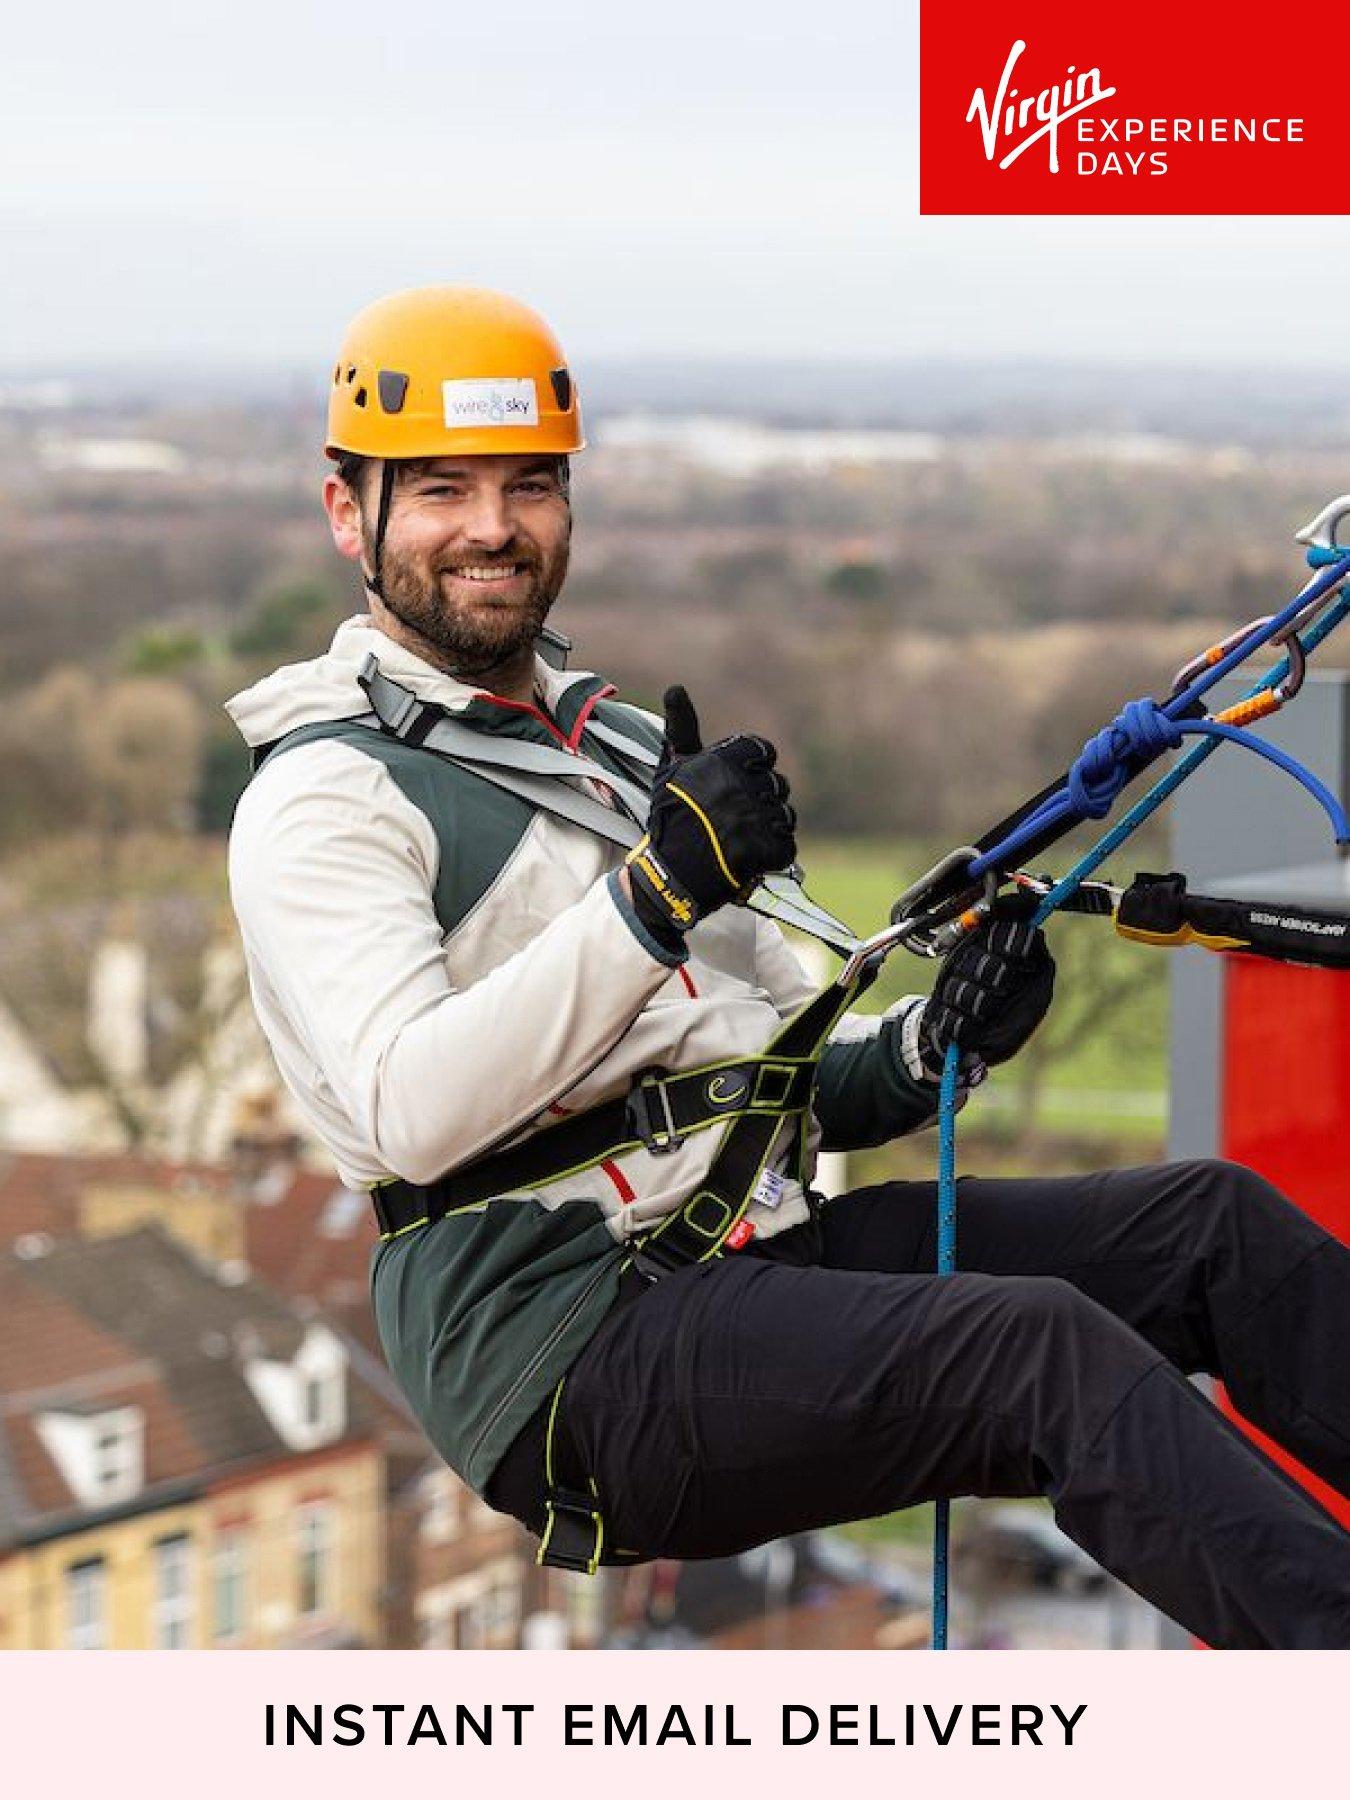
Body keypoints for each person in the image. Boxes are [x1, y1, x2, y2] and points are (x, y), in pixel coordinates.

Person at [227, 285, 1350, 1649]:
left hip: (752, 1248)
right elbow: (413, 1106)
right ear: (349, 513)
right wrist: (651, 897)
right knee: (1035, 1349)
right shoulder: (330, 799)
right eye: (442, 491)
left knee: (1208, 1235)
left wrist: (938, 1045)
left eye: (527, 486)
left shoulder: (624, 752)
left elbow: (787, 1070)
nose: (490, 527)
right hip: (566, 1354)